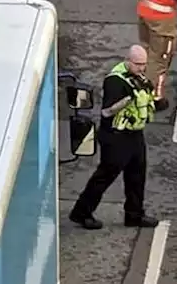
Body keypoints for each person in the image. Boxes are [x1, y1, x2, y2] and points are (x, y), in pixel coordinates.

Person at [68, 45, 161, 231]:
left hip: (134, 134)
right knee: (104, 176)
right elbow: (107, 111)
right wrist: (127, 100)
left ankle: (134, 214)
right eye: (138, 64)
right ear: (128, 61)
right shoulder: (115, 81)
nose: (142, 68)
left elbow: (147, 100)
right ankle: (81, 212)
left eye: (144, 64)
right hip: (116, 136)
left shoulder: (139, 78)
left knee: (137, 175)